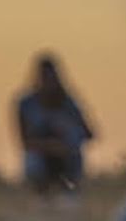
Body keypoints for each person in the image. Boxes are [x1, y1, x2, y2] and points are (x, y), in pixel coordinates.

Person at [14, 53, 95, 197]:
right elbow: (24, 142)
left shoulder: (68, 103)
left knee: (75, 148)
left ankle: (70, 194)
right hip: (40, 156)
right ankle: (40, 195)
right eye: (44, 77)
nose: (48, 81)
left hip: (66, 156)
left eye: (51, 76)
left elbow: (90, 134)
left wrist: (68, 134)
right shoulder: (26, 104)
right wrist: (50, 146)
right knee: (32, 160)